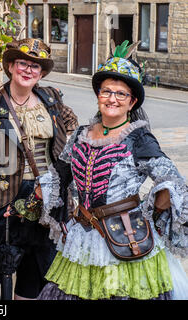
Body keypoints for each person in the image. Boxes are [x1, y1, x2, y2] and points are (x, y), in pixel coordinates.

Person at [30, 41, 188, 300]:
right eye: (106, 92)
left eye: (120, 94)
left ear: (132, 101)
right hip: (83, 238)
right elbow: (59, 176)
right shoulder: (81, 134)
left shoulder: (139, 138)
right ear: (98, 95)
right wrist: (34, 195)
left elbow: (171, 182)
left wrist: (152, 213)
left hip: (126, 239)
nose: (112, 99)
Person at [0, 38, 78, 300]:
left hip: (44, 202)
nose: (28, 70)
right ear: (12, 66)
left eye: (35, 67)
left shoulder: (50, 98)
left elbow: (71, 121)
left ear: (42, 73)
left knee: (34, 281)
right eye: (23, 63)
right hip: (1, 200)